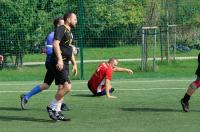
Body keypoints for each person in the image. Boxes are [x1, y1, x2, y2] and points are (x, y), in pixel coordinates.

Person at [20, 17, 70, 111]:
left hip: (56, 63)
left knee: (46, 85)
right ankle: (57, 107)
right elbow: (50, 51)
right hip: (52, 63)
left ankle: (26, 97)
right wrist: (60, 57)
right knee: (62, 85)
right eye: (62, 24)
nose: (64, 25)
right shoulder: (52, 35)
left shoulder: (63, 34)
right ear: (57, 25)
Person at [46, 12, 78, 121]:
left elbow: (69, 48)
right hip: (59, 62)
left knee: (63, 88)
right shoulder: (61, 28)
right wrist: (59, 59)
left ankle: (57, 111)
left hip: (65, 63)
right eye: (75, 19)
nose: (76, 21)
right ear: (68, 19)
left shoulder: (69, 31)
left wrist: (74, 64)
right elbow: (55, 44)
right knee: (67, 87)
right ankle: (51, 107)